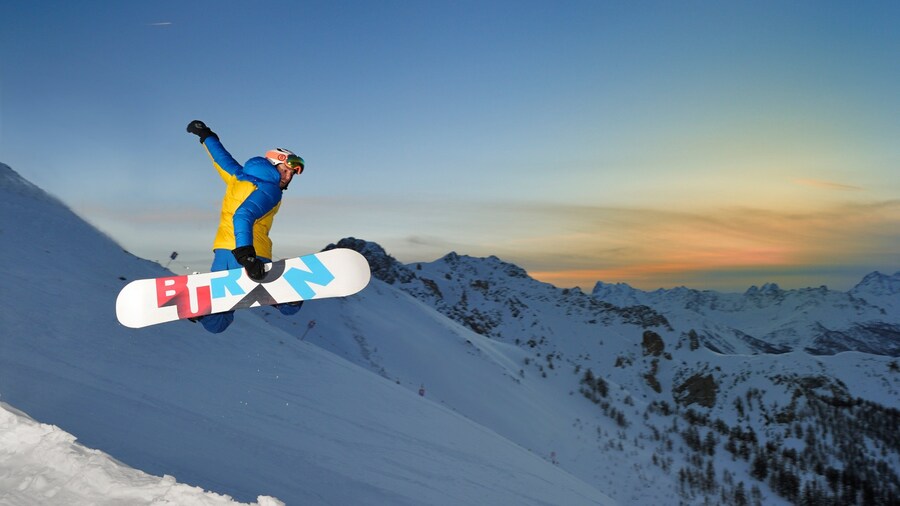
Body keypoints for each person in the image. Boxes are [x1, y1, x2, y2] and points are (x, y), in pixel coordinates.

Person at [186, 120, 305, 333]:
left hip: (222, 254)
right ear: (274, 163)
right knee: (289, 307)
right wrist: (247, 256)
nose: (288, 178)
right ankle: (287, 300)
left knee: (218, 321)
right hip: (251, 255)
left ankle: (202, 310)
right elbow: (244, 215)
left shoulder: (237, 175)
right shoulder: (270, 189)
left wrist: (205, 134)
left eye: (292, 174)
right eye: (287, 171)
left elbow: (220, 158)